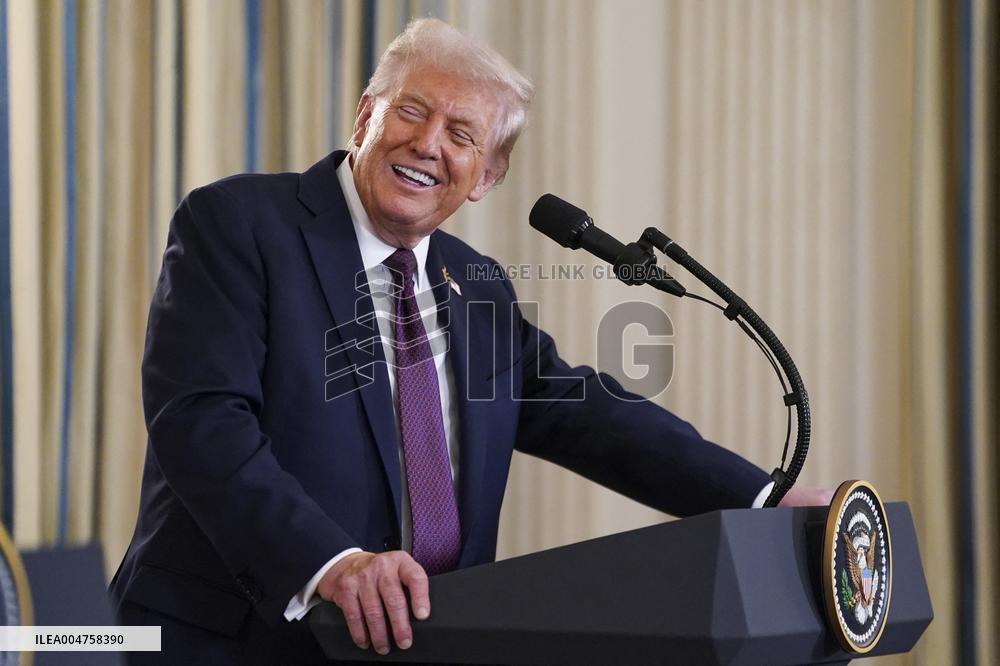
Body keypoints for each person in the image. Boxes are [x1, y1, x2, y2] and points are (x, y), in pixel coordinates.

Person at [110, 18, 830, 665]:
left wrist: (764, 498)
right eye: (412, 111)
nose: (428, 143)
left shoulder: (476, 285)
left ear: (486, 176)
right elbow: (202, 422)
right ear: (366, 117)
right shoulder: (240, 224)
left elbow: (588, 414)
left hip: (424, 641)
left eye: (461, 134)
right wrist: (331, 561)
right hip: (229, 642)